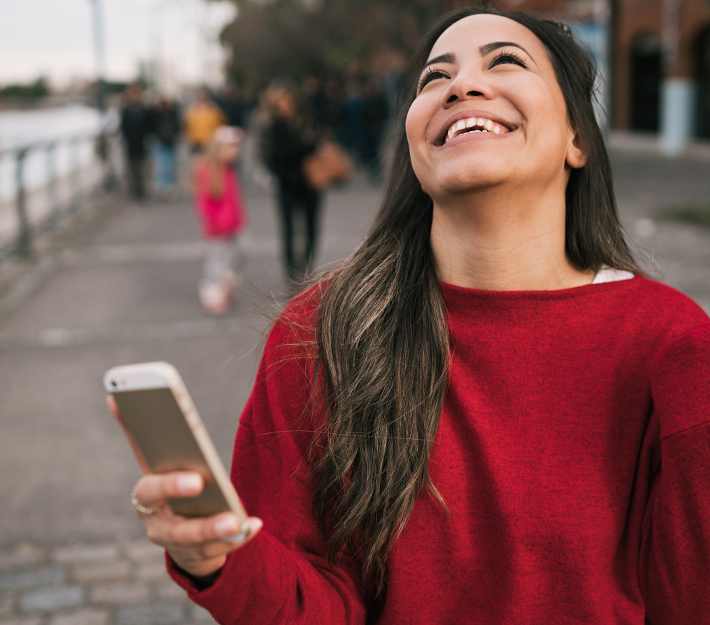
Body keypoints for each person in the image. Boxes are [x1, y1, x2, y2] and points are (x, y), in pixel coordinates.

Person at [119, 8, 710, 624]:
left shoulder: (674, 345)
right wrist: (221, 556)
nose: (462, 86)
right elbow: (314, 606)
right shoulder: (321, 332)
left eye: (505, 61)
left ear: (578, 139)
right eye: (435, 78)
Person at [261, 81, 321, 282]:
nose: (284, 105)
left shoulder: (306, 121)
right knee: (288, 232)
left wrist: (307, 144)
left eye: (287, 101)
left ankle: (307, 270)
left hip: (310, 183)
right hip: (286, 185)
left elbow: (316, 145)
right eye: (280, 102)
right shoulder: (274, 126)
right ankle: (291, 276)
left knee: (311, 229)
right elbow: (274, 155)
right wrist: (304, 145)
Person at [192, 126, 247, 315]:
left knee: (238, 253)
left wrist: (239, 218)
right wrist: (216, 223)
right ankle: (212, 290)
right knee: (216, 260)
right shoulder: (209, 171)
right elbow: (204, 203)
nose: (235, 152)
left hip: (233, 225)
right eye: (230, 148)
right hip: (217, 229)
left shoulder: (228, 169)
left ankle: (226, 281)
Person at [119, 84, 152, 200]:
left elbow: (149, 126)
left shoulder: (144, 110)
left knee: (142, 167)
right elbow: (123, 127)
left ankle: (141, 189)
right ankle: (134, 190)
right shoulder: (126, 110)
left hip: (142, 143)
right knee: (131, 168)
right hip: (130, 144)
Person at [151, 96, 181, 196]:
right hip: (161, 141)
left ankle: (169, 184)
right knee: (162, 164)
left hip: (170, 141)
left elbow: (177, 125)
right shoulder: (157, 114)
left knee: (169, 164)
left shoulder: (172, 113)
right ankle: (163, 184)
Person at [184, 89, 226, 154]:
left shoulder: (214, 110)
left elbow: (221, 122)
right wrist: (189, 137)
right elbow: (186, 124)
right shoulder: (192, 110)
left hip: (210, 140)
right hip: (196, 140)